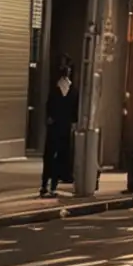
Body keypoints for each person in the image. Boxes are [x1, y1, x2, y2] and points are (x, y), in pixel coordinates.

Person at [40, 61, 79, 197]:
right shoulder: (69, 90)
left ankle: (48, 185)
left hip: (59, 126)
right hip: (61, 126)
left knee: (52, 156)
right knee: (55, 156)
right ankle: (49, 185)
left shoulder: (64, 89)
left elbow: (50, 106)